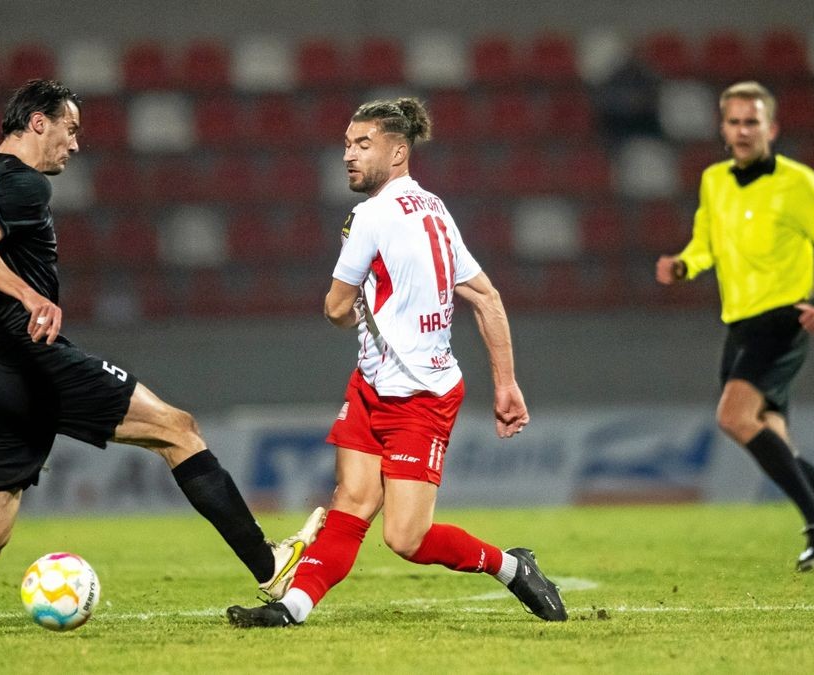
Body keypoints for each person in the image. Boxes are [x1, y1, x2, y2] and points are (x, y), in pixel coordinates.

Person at [0, 80, 324, 636]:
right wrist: (29, 295)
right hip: (30, 360)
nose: (75, 145)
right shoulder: (25, 186)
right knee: (177, 430)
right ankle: (271, 567)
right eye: (70, 130)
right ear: (38, 123)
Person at [226, 98, 566, 628]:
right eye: (346, 144)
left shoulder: (370, 215)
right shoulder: (435, 207)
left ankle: (513, 567)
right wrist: (507, 384)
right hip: (372, 386)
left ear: (399, 151)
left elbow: (334, 309)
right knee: (352, 504)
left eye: (363, 145)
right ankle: (291, 609)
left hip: (421, 398)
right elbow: (487, 297)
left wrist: (357, 304)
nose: (348, 155)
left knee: (406, 538)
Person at [655, 81, 814, 573]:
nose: (743, 131)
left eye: (752, 122)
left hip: (784, 320)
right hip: (739, 325)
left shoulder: (798, 182)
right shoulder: (714, 181)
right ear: (723, 128)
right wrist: (684, 264)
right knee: (781, 449)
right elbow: (706, 244)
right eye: (735, 122)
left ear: (772, 128)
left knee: (733, 416)